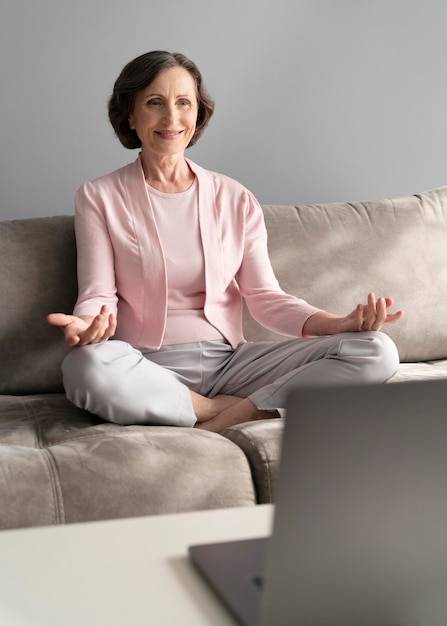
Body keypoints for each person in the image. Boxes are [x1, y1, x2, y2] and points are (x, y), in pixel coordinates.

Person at [47, 50, 404, 433]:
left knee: (375, 349)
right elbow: (98, 293)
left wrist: (339, 324)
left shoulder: (235, 198)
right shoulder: (99, 196)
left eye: (184, 103)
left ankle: (237, 411)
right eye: (155, 103)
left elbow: (266, 298)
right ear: (130, 116)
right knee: (82, 367)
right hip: (145, 365)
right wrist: (86, 325)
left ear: (198, 114)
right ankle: (215, 410)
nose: (171, 118)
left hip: (234, 364)